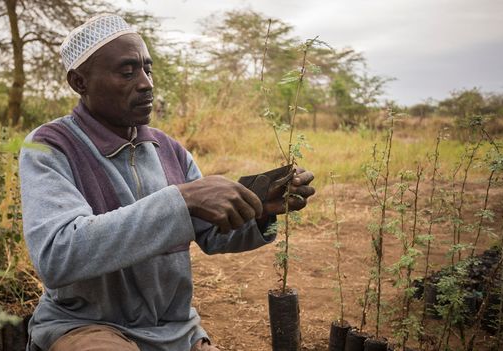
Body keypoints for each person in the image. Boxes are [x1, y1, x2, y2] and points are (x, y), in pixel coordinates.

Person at [19, 14, 315, 351]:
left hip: (175, 330)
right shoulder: (51, 147)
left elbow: (213, 236)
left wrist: (261, 210)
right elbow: (58, 256)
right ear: (79, 82)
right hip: (86, 327)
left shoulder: (169, 150)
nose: (146, 83)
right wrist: (182, 198)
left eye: (148, 69)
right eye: (127, 72)